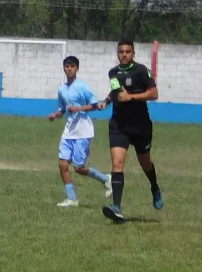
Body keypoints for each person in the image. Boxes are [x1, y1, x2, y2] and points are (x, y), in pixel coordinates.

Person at [98, 40, 162, 223]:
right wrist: (106, 100)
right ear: (117, 54)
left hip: (140, 126)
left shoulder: (141, 71)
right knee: (117, 164)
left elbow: (154, 93)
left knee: (145, 163)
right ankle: (116, 207)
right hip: (118, 125)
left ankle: (154, 186)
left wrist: (131, 97)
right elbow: (116, 91)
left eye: (127, 52)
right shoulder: (113, 72)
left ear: (133, 53)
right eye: (121, 52)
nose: (124, 54)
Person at [47, 56, 111, 207]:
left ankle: (106, 179)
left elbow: (95, 105)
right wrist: (55, 115)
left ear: (77, 68)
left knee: (79, 168)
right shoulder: (62, 89)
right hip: (69, 130)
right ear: (63, 68)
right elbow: (62, 109)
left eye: (72, 66)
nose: (69, 69)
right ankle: (72, 199)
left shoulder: (83, 87)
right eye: (67, 66)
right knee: (62, 164)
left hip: (83, 130)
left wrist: (78, 108)